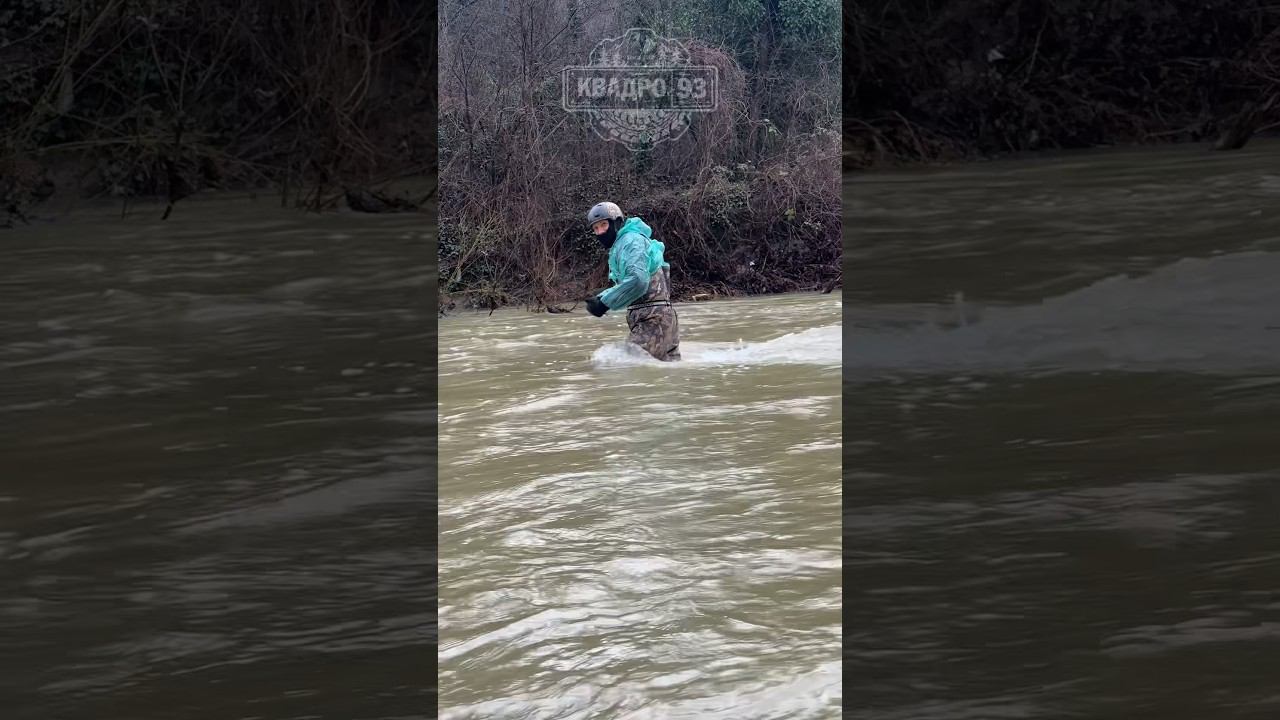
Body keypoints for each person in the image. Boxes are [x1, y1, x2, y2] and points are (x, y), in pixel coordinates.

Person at [583, 201, 681, 361]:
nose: (600, 232)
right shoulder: (625, 242)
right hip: (658, 320)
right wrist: (602, 296)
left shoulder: (630, 242)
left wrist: (605, 303)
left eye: (604, 225)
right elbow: (632, 281)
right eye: (596, 228)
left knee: (617, 365)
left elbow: (638, 281)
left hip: (653, 321)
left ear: (616, 223)